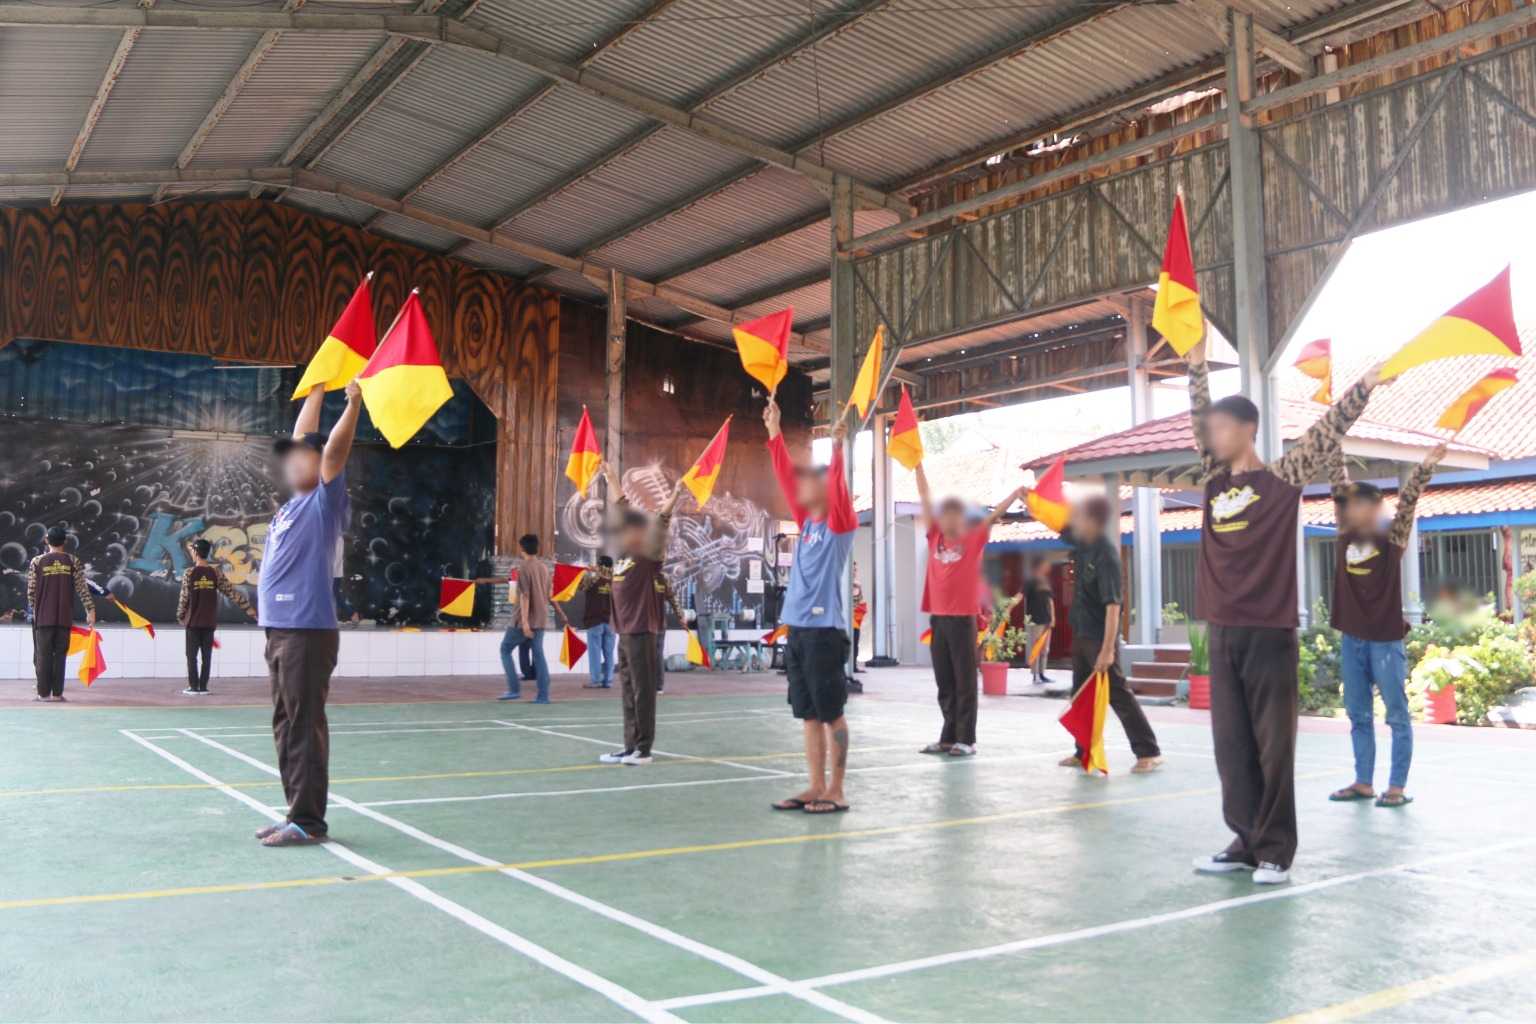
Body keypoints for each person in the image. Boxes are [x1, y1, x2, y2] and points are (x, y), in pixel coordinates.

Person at [1186, 341, 1382, 884]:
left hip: (1269, 631)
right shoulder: (1214, 480)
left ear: (1246, 430)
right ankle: (1245, 839)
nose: (1210, 436)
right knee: (1232, 746)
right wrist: (1196, 360)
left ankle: (1274, 849)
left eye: (1219, 428)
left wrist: (1363, 384)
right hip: (1222, 631)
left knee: (1274, 747)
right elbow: (1196, 406)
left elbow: (1327, 430)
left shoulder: (1280, 480)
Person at [255, 379, 361, 847]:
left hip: (306, 630)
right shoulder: (294, 502)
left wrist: (353, 403)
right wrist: (317, 387)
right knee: (286, 723)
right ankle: (295, 812)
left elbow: (333, 450)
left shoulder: (324, 499)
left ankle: (309, 822)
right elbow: (306, 436)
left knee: (302, 725)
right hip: (281, 630)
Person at [1328, 443, 1444, 809]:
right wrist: (1333, 442)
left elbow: (1409, 501)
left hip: (1385, 641)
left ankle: (1395, 786)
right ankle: (1363, 782)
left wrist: (1424, 466)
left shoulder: (1391, 539)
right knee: (1357, 714)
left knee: (1396, 715)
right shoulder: (1345, 534)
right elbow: (1337, 480)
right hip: (1353, 640)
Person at [766, 399, 858, 813]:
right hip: (798, 630)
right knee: (807, 714)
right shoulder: (807, 526)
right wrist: (773, 431)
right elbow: (786, 477)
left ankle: (836, 790)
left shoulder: (839, 524)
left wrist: (837, 449)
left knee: (830, 712)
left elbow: (837, 485)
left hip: (824, 632)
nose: (800, 486)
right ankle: (815, 785)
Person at [913, 465, 1025, 757]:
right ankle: (948, 737)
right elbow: (925, 497)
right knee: (944, 680)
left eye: (954, 514)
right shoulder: (934, 535)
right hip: (938, 618)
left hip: (963, 619)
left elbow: (994, 515)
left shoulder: (972, 540)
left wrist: (1014, 494)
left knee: (964, 680)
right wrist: (918, 467)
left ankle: (967, 739)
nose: (948, 518)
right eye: (945, 513)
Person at [1052, 494, 1163, 773]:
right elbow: (1055, 520)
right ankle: (1083, 751)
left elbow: (1114, 605)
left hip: (1100, 638)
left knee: (1118, 694)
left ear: (1093, 520)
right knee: (1080, 695)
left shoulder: (1106, 554)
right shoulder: (1082, 543)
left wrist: (1108, 649)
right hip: (1081, 632)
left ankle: (1148, 751)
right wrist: (1028, 499)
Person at [598, 460, 683, 765]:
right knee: (628, 690)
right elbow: (622, 509)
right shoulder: (623, 557)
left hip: (642, 630)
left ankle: (644, 749)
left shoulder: (648, 556)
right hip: (624, 631)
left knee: (643, 692)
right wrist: (610, 478)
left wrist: (673, 497)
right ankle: (629, 746)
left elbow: (661, 521)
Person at [177, 537, 255, 694]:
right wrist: (249, 609)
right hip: (209, 621)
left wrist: (180, 615)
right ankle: (204, 687)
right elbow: (231, 592)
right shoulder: (216, 573)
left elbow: (184, 597)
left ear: (196, 552)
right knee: (207, 656)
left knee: (191, 656)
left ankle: (193, 687)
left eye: (192, 550)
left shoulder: (189, 573)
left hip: (193, 622)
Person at [26, 526, 95, 702]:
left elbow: (31, 591)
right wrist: (90, 610)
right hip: (64, 616)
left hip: (43, 617)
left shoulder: (36, 561)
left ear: (46, 540)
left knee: (43, 656)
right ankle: (57, 694)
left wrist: (34, 609)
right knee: (60, 656)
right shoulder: (73, 561)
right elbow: (82, 588)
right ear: (65, 541)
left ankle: (43, 694)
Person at [500, 534, 552, 703]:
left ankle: (514, 689)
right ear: (537, 548)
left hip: (524, 620)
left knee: (505, 649)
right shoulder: (544, 568)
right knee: (539, 655)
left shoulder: (523, 568)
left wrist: (524, 624)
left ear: (521, 548)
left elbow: (524, 597)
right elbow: (549, 594)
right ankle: (543, 696)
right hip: (541, 618)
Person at [577, 555, 616, 689]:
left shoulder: (592, 578)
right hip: (611, 621)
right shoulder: (615, 581)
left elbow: (580, 586)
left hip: (595, 620)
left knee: (595, 652)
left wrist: (586, 571)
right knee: (609, 652)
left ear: (599, 565)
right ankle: (608, 680)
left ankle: (596, 680)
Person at [654, 573, 687, 694]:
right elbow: (673, 598)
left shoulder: (641, 575)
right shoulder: (663, 577)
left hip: (646, 623)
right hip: (658, 622)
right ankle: (658, 686)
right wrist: (681, 616)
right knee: (657, 654)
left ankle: (653, 685)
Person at [1025, 555, 1056, 685]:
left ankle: (1042, 673)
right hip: (1035, 620)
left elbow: (1050, 601)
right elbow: (1022, 596)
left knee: (1045, 649)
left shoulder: (1045, 582)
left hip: (1046, 620)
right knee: (1035, 648)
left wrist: (1053, 617)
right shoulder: (1030, 581)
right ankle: (1035, 675)